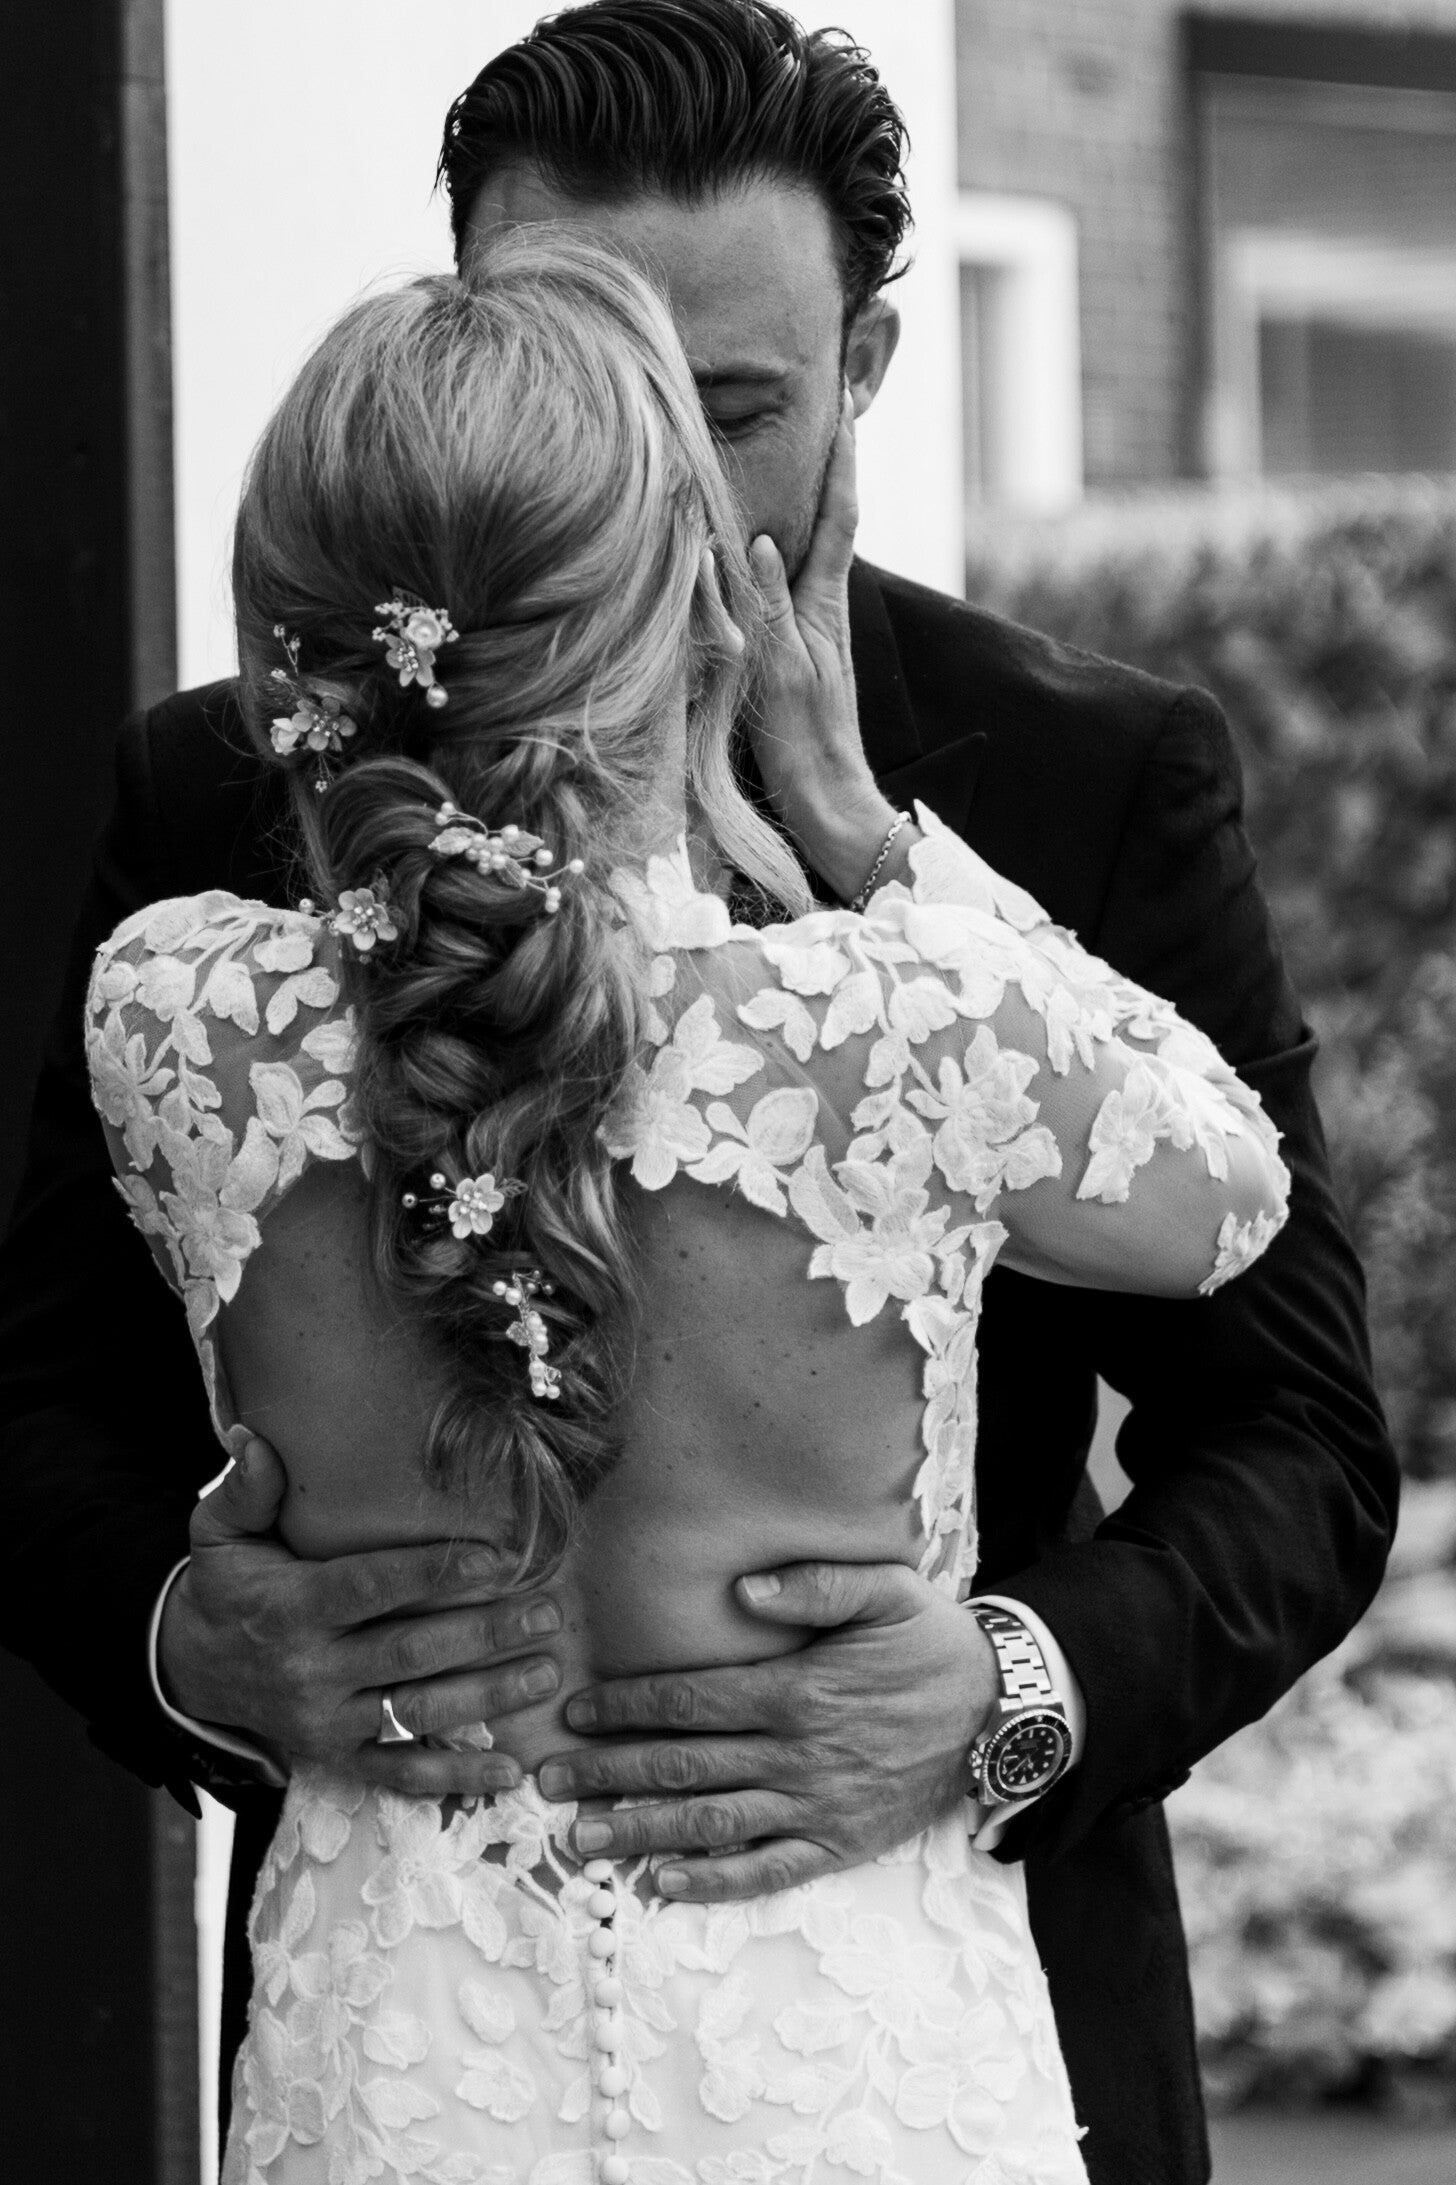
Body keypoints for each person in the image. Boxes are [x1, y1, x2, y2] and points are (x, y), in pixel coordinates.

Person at [0, 6, 1394, 2181]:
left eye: (724, 405)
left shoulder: (1085, 768)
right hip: (414, 2038)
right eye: (577, 364)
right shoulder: (217, 788)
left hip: (919, 2010)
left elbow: (1299, 1425)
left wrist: (1007, 1689)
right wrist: (194, 1639)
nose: (641, 481)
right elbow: (37, 1390)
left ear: (865, 365)